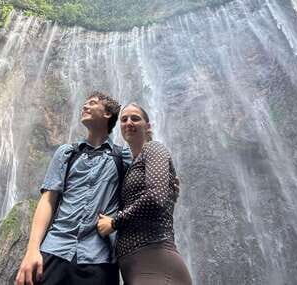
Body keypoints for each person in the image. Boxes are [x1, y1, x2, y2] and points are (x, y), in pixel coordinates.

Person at [15, 91, 131, 285]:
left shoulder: (123, 157)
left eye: (92, 103)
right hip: (54, 250)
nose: (84, 107)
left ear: (108, 114)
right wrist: (32, 250)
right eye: (84, 104)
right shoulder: (66, 153)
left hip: (99, 258)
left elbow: (146, 189)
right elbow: (48, 200)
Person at [96, 103, 192, 284]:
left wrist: (114, 222)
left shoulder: (154, 148)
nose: (129, 122)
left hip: (155, 260)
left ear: (148, 126)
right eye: (124, 119)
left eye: (135, 118)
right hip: (134, 265)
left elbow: (156, 197)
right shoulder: (131, 164)